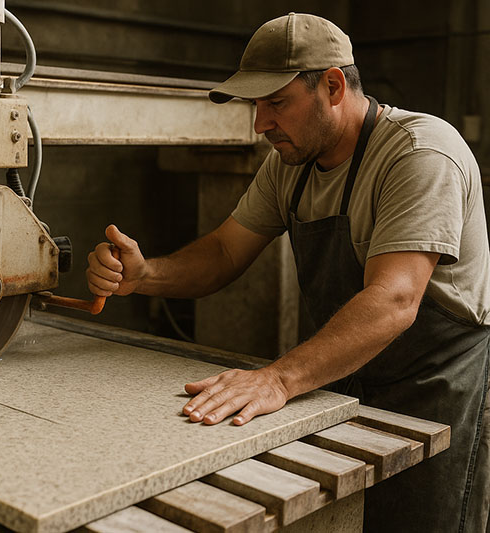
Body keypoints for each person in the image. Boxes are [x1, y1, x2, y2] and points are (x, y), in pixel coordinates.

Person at [85, 13, 489, 533]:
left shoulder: (419, 154)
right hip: (342, 377)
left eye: (276, 103)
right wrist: (147, 275)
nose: (260, 124)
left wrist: (278, 378)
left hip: (433, 388)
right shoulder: (289, 165)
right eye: (257, 106)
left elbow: (394, 299)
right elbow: (225, 252)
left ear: (334, 85)